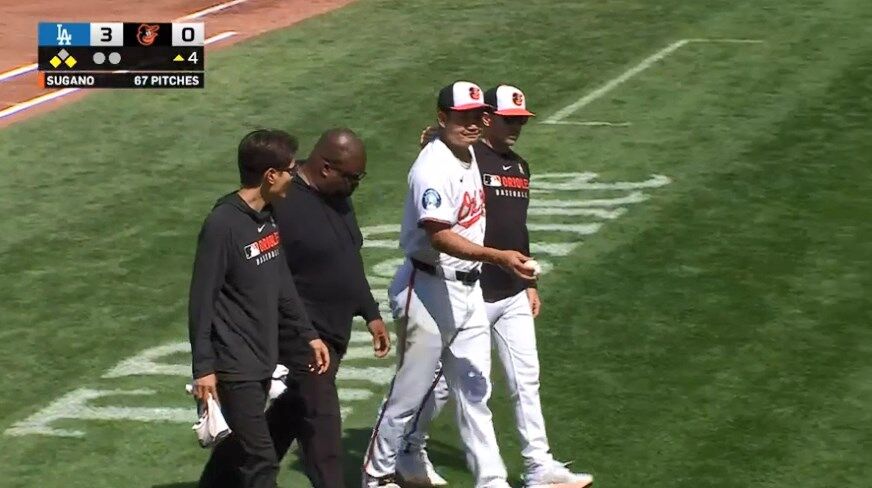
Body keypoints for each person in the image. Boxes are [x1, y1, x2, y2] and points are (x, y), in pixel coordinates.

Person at [398, 86, 594, 488]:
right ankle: (407, 447)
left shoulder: (519, 167)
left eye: (520, 121)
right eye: (509, 120)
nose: (516, 128)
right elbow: (440, 172)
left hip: (511, 289)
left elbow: (514, 227)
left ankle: (538, 466)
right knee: (442, 385)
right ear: (488, 120)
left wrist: (528, 281)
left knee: (524, 379)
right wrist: (435, 137)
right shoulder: (467, 157)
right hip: (468, 290)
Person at [361, 81, 535, 488]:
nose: (471, 123)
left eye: (477, 115)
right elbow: (439, 236)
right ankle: (377, 475)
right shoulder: (432, 168)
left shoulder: (468, 151)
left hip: (468, 290)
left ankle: (491, 480)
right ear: (443, 117)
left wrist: (439, 135)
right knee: (410, 392)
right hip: (427, 287)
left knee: (474, 388)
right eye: (462, 116)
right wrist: (498, 257)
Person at [199, 128, 391, 488]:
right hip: (296, 336)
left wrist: (370, 311)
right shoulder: (278, 203)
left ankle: (218, 481)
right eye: (352, 177)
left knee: (288, 415)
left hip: (327, 334)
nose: (356, 185)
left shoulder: (338, 194)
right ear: (326, 167)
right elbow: (259, 278)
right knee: (321, 423)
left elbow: (348, 258)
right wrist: (302, 332)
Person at [189, 128, 330, 488]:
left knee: (241, 452)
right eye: (290, 170)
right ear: (270, 175)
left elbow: (281, 282)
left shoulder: (267, 215)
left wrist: (308, 334)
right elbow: (201, 299)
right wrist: (203, 368)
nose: (294, 176)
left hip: (263, 356)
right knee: (260, 460)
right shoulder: (223, 224)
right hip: (235, 364)